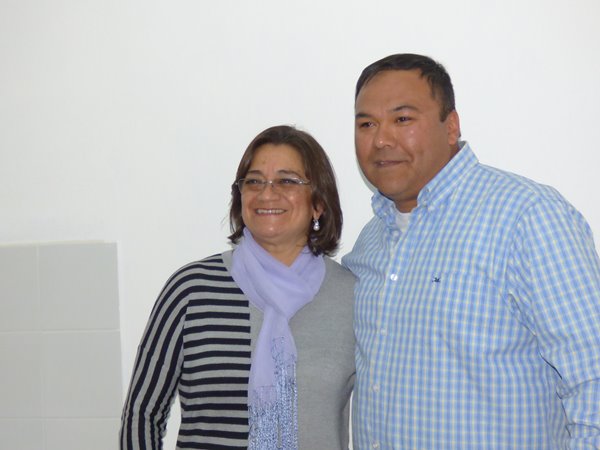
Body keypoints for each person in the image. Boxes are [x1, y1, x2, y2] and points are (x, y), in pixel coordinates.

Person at [343, 53, 600, 449]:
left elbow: (592, 378)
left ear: (451, 127)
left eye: (403, 119)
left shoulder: (526, 216)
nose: (381, 139)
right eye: (366, 124)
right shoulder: (369, 243)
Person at [120, 125, 355, 449]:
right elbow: (142, 414)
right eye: (254, 181)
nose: (267, 193)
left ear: (319, 203)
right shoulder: (192, 291)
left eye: (287, 181)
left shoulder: (352, 297)